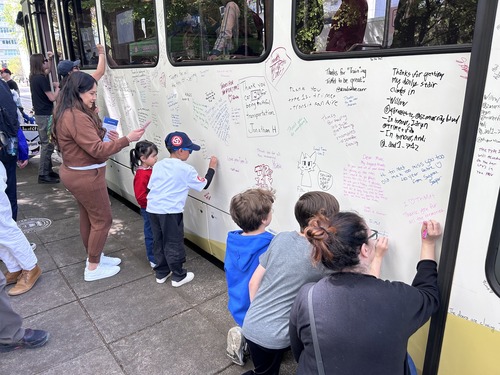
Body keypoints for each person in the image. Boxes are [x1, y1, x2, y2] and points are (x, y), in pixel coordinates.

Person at [289, 213, 441, 374]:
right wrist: (428, 243)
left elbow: (298, 348)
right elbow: (429, 294)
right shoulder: (397, 297)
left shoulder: (308, 295)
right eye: (372, 236)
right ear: (365, 250)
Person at [51, 71, 147, 281]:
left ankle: (94, 257)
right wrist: (126, 139)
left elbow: (85, 141)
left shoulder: (68, 110)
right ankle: (93, 267)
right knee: (103, 220)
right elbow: (97, 150)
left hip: (77, 174)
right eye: (92, 94)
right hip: (85, 176)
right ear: (78, 92)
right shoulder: (75, 116)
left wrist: (103, 132)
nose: (94, 97)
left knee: (88, 216)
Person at [241, 191, 340, 375]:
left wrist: (262, 317)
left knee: (263, 367)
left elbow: (253, 283)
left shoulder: (281, 237)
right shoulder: (319, 256)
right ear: (318, 223)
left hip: (251, 322)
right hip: (275, 337)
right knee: (266, 372)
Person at [147, 131, 217, 287]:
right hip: (170, 211)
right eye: (189, 150)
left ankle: (161, 272)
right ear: (180, 150)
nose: (190, 153)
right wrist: (212, 168)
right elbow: (204, 184)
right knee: (173, 242)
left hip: (152, 209)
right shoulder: (186, 169)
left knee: (158, 240)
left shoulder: (158, 165)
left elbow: (150, 187)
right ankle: (178, 276)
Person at [224, 188, 275, 365]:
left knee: (248, 325)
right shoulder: (270, 244)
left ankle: (242, 335)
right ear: (264, 219)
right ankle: (249, 343)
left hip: (237, 303)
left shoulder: (233, 240)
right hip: (257, 307)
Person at [29, 51, 60, 184]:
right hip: (46, 115)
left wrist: (51, 59)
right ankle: (43, 174)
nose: (46, 63)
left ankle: (48, 171)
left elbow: (48, 70)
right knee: (47, 144)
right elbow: (52, 97)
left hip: (40, 114)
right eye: (44, 61)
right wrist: (59, 87)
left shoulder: (34, 77)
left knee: (47, 143)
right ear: (40, 64)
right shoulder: (41, 79)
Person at [130, 140, 159, 268]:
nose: (156, 158)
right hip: (149, 208)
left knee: (156, 232)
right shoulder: (142, 175)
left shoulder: (151, 169)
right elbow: (141, 196)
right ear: (143, 158)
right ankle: (152, 257)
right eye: (153, 156)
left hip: (155, 207)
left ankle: (157, 254)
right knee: (151, 233)